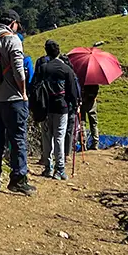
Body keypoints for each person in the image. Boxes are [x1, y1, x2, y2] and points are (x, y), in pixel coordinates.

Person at [0, 10, 36, 196]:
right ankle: (18, 179)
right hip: (11, 99)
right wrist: (23, 93)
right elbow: (19, 71)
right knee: (18, 139)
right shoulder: (13, 40)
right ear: (13, 23)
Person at [36, 40, 79, 180]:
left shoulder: (43, 68)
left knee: (47, 137)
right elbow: (72, 92)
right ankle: (59, 170)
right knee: (59, 137)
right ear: (58, 51)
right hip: (62, 107)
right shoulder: (66, 69)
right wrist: (75, 105)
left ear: (46, 51)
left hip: (45, 108)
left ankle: (48, 167)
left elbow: (35, 87)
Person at [81, 84, 100, 150]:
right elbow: (97, 89)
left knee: (82, 123)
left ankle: (83, 144)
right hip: (92, 102)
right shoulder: (94, 79)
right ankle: (95, 143)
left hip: (82, 101)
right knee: (94, 123)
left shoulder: (80, 78)